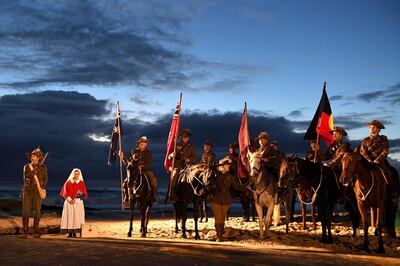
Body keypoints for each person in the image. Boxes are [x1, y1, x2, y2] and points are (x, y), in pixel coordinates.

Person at [209, 157, 245, 242]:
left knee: (222, 219)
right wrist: (211, 171)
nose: (229, 167)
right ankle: (219, 236)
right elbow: (210, 182)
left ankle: (221, 234)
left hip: (226, 200)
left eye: (229, 165)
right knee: (218, 218)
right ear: (223, 166)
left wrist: (245, 187)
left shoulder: (230, 176)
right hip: (216, 199)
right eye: (227, 165)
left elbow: (236, 186)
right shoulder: (215, 174)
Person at [119, 136, 158, 204]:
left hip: (145, 170)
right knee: (125, 183)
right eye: (139, 143)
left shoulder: (148, 153)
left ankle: (153, 196)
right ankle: (127, 198)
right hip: (135, 170)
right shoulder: (134, 151)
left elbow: (148, 164)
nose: (140, 144)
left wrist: (142, 167)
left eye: (142, 143)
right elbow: (129, 163)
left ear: (146, 144)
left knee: (153, 180)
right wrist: (123, 158)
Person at [20, 148, 48, 238]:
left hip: (37, 191)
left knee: (37, 212)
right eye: (31, 156)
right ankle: (25, 231)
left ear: (38, 157)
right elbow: (25, 179)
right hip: (27, 191)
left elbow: (45, 181)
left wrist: (38, 180)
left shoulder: (43, 168)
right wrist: (32, 173)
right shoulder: (27, 167)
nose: (32, 157)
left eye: (34, 156)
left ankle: (36, 231)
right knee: (25, 212)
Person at [168, 128, 198, 202]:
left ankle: (196, 194)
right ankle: (172, 194)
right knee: (174, 176)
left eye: (186, 137)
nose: (185, 139)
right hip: (178, 165)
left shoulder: (191, 146)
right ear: (182, 137)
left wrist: (189, 159)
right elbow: (168, 157)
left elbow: (195, 158)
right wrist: (172, 155)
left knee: (197, 176)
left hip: (188, 165)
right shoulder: (176, 145)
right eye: (184, 137)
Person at [59, 168, 88, 238]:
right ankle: (69, 233)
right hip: (69, 203)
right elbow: (64, 192)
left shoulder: (81, 183)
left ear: (79, 174)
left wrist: (76, 200)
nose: (76, 175)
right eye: (75, 173)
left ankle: (74, 233)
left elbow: (84, 194)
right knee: (70, 217)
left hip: (78, 203)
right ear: (73, 174)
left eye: (78, 173)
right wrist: (70, 200)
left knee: (76, 218)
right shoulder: (68, 182)